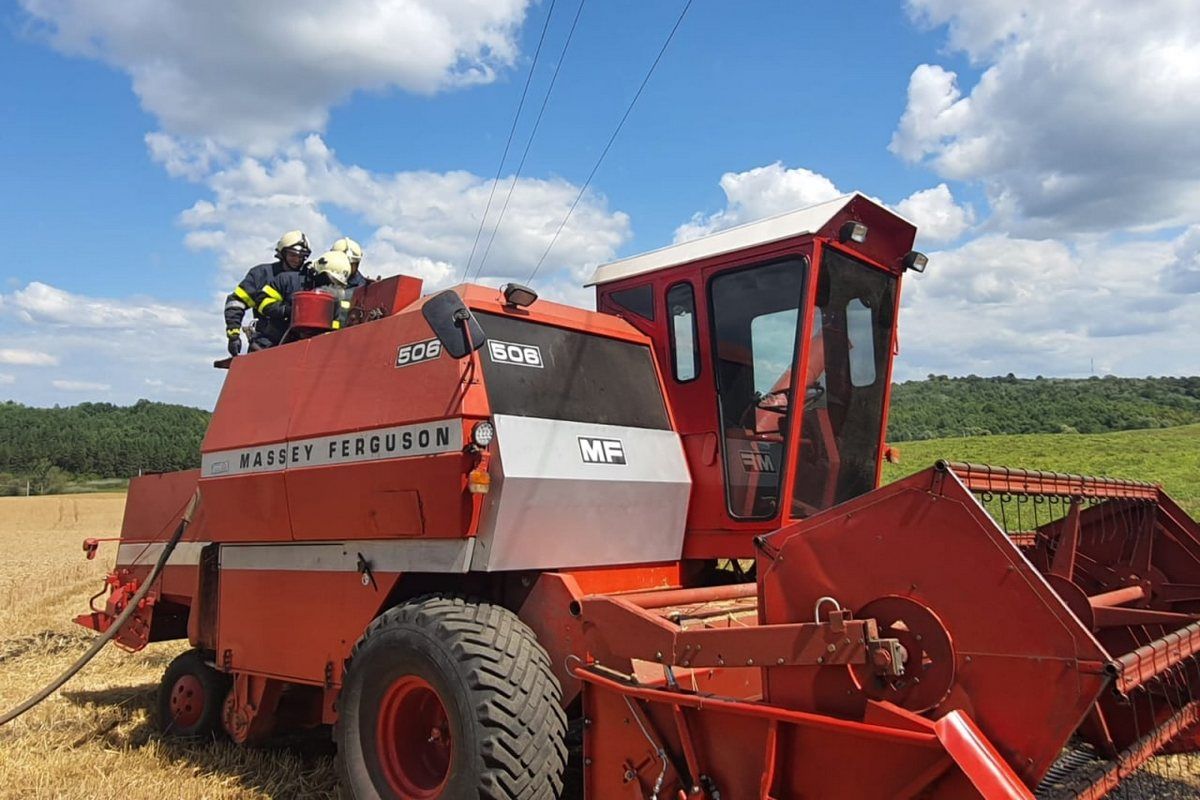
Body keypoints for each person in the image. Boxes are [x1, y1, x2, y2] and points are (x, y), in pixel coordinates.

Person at [224, 230, 310, 356]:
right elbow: (236, 302)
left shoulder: (308, 278)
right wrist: (233, 335)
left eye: (301, 256)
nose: (297, 260)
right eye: (292, 255)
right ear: (282, 253)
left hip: (299, 344)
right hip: (264, 343)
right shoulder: (261, 275)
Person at [252, 250, 353, 350]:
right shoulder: (287, 281)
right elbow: (261, 302)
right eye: (331, 280)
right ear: (319, 272)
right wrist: (289, 310)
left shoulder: (333, 299)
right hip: (272, 343)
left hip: (310, 349)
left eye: (336, 283)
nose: (331, 286)